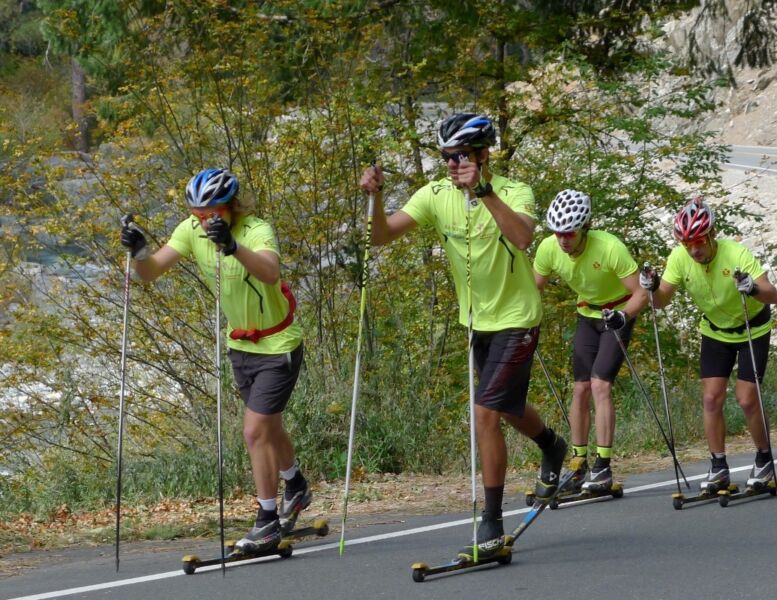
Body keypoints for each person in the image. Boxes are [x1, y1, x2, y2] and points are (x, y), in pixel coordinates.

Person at [358, 114, 567, 560]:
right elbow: (380, 237)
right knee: (507, 410)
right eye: (446, 158)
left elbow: (525, 237)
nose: (453, 166)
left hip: (517, 318)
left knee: (486, 414)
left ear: (483, 155)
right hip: (475, 322)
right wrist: (374, 199)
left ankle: (491, 521)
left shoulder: (512, 191)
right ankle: (551, 444)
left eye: (461, 157)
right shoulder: (435, 195)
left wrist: (483, 191)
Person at [119, 168, 310, 553]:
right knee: (268, 427)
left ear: (232, 207)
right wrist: (139, 251)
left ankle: (267, 520)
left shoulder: (256, 230)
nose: (205, 220)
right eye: (198, 212)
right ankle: (296, 484)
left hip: (278, 345)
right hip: (240, 346)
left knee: (254, 430)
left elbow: (271, 273)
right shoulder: (191, 230)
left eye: (213, 212)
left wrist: (233, 248)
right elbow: (150, 273)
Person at [640, 197, 777, 492]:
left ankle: (764, 459)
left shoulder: (735, 253)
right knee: (711, 398)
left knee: (746, 398)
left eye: (699, 241)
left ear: (712, 234)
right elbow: (662, 301)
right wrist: (651, 288)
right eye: (688, 243)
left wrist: (752, 287)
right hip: (716, 331)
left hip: (752, 329)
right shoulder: (680, 258)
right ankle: (718, 466)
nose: (694, 249)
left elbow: (772, 294)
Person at [533, 189, 647, 495]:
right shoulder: (548, 249)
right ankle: (578, 463)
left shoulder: (610, 247)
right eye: (558, 233)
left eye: (569, 233)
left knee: (600, 385)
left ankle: (603, 466)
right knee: (580, 388)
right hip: (587, 314)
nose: (563, 240)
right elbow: (532, 291)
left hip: (617, 313)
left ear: (584, 228)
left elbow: (641, 292)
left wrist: (623, 315)